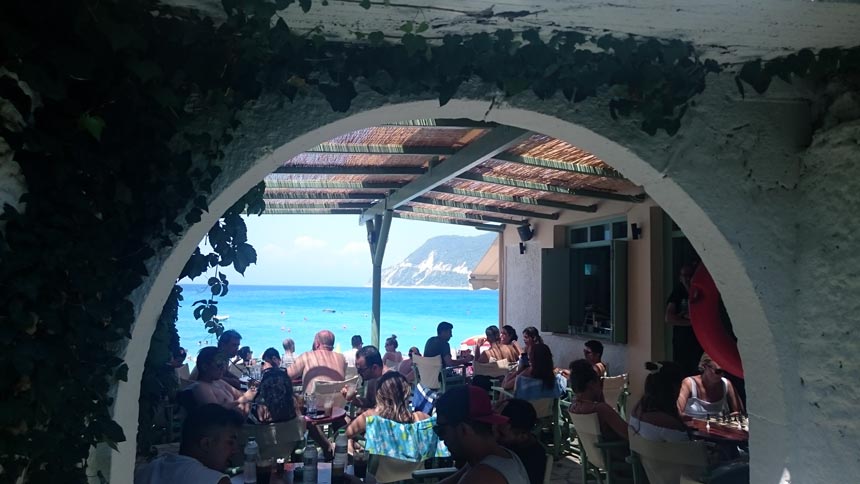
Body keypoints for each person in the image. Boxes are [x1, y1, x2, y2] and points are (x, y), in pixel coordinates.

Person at [434, 385, 530, 484]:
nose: (441, 438)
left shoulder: (481, 477)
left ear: (464, 429)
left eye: (441, 430)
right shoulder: (501, 456)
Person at [134, 403, 242, 484]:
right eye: (230, 442)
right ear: (206, 444)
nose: (235, 450)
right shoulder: (213, 480)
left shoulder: (151, 469)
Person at [346, 371, 430, 439]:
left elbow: (344, 434)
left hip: (379, 460)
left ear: (379, 394)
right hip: (412, 460)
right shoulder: (421, 418)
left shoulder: (371, 417)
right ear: (407, 393)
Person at [568, 359, 628, 442]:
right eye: (599, 381)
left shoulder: (573, 407)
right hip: (619, 452)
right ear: (592, 384)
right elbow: (628, 434)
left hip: (595, 453)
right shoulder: (601, 409)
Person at [629, 361, 690, 442]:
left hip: (649, 454)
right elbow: (687, 452)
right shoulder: (671, 425)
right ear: (674, 387)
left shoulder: (637, 410)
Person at [190, 347, 257, 417]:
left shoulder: (219, 382)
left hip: (245, 416)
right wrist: (240, 400)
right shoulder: (201, 387)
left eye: (224, 364)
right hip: (229, 425)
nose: (223, 368)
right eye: (219, 365)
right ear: (205, 367)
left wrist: (251, 388)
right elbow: (215, 413)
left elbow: (240, 395)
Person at [495, 399, 547, 484]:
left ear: (523, 436)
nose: (496, 437)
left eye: (501, 434)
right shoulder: (513, 442)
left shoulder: (532, 457)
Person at [666, 264, 704, 377]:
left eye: (690, 275)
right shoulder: (678, 292)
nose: (687, 278)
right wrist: (692, 323)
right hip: (682, 342)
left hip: (700, 341)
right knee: (682, 373)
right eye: (684, 275)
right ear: (680, 277)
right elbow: (669, 318)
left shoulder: (701, 291)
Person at [677, 353, 744, 418]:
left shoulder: (726, 384)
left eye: (725, 371)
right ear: (704, 366)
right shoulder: (689, 383)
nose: (722, 375)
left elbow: (740, 412)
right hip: (693, 428)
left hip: (718, 428)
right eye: (718, 371)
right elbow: (678, 413)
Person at [252, 348, 297, 424]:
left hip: (269, 427)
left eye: (264, 363)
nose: (263, 366)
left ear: (274, 359)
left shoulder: (268, 376)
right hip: (290, 424)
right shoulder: (284, 377)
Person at [345, 345, 387, 411]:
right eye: (358, 369)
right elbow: (369, 403)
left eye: (361, 370)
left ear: (374, 368)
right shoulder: (372, 377)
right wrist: (353, 399)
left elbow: (387, 413)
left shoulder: (390, 381)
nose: (358, 372)